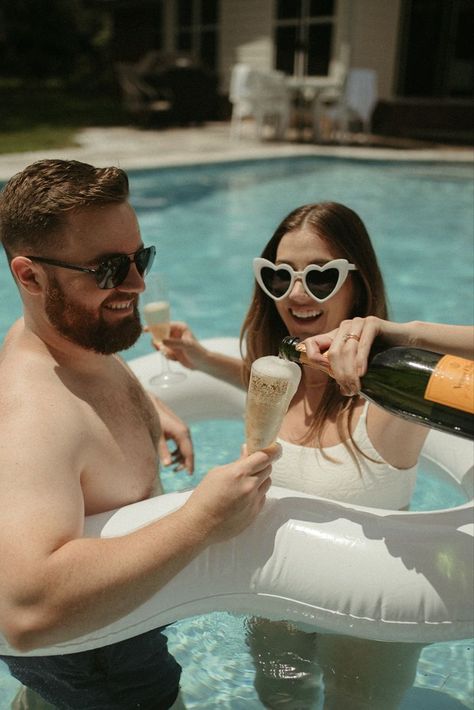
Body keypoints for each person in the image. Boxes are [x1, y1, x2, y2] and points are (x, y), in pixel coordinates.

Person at [157, 201, 473, 709]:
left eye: (321, 277)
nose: (297, 294)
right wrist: (200, 359)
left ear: (357, 283)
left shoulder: (390, 401)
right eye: (279, 278)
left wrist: (400, 333)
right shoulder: (281, 377)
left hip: (370, 620)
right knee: (279, 699)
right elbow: (253, 377)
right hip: (273, 602)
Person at [0, 159, 280, 710]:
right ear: (30, 277)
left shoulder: (62, 339)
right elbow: (24, 614)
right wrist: (202, 520)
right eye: (108, 269)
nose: (137, 282)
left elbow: (81, 378)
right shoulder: (33, 418)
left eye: (139, 257)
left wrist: (148, 408)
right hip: (101, 665)